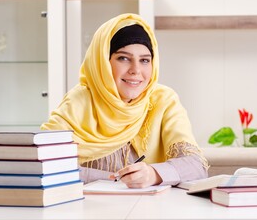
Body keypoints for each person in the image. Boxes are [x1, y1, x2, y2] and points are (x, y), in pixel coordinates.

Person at [41, 13, 208, 188]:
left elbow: (196, 166)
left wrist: (154, 174)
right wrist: (115, 178)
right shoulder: (78, 103)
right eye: (124, 58)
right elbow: (44, 163)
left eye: (144, 60)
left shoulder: (163, 101)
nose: (136, 70)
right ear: (103, 62)